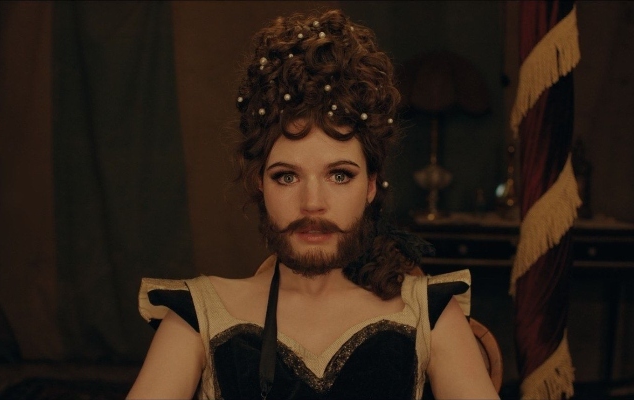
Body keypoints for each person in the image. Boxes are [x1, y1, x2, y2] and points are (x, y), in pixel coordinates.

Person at [128, 9, 498, 400]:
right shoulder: (199, 314)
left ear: (371, 185)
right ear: (259, 183)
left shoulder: (427, 312)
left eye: (339, 175)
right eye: (287, 177)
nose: (312, 204)